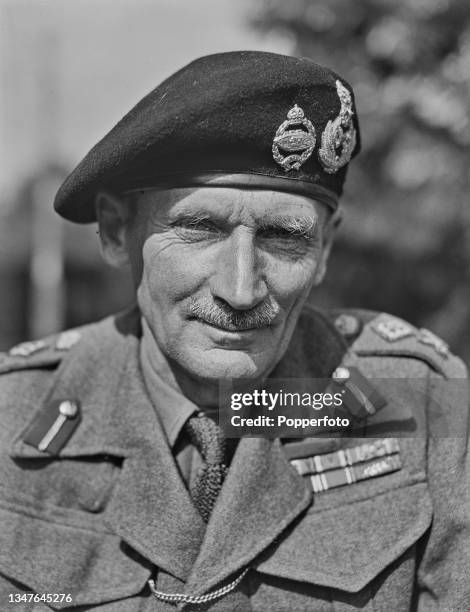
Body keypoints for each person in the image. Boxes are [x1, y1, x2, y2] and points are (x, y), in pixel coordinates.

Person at [0, 51, 468, 612]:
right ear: (116, 231)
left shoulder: (416, 401)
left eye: (283, 237)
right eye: (200, 229)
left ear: (325, 250)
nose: (241, 290)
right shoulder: (14, 411)